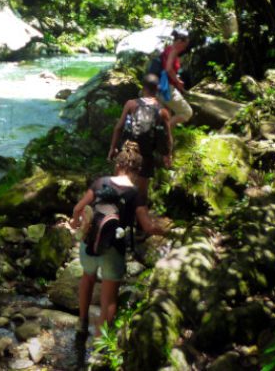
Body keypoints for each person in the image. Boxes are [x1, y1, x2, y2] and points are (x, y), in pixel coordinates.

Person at [71, 141, 169, 337]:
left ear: (118, 165)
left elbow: (77, 209)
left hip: (89, 243)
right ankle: (100, 347)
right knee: (109, 300)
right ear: (137, 171)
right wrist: (166, 231)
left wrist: (76, 224)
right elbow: (147, 226)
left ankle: (81, 323)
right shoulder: (135, 194)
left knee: (87, 278)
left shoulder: (100, 182)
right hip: (113, 248)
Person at [107, 73, 173, 201]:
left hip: (128, 150)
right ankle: (137, 215)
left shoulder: (131, 104)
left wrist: (113, 148)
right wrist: (168, 155)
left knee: (117, 187)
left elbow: (119, 127)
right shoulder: (163, 111)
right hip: (146, 155)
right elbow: (168, 137)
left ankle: (117, 214)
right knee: (141, 195)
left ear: (143, 88)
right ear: (157, 89)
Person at [160, 29, 193, 128]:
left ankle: (164, 140)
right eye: (185, 45)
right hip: (166, 87)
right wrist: (177, 80)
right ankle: (161, 134)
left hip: (160, 85)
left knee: (166, 116)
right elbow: (168, 68)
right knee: (186, 112)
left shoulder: (167, 49)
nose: (184, 48)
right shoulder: (173, 51)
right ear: (179, 41)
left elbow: (166, 68)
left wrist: (176, 77)